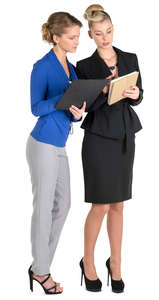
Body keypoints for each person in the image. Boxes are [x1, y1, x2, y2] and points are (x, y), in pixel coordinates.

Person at [74, 4, 143, 293]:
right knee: (100, 204)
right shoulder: (85, 67)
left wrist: (136, 94)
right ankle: (87, 262)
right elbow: (84, 105)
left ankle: (115, 264)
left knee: (118, 204)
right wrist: (103, 91)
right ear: (90, 35)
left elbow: (140, 96)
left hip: (125, 135)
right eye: (99, 34)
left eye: (109, 31)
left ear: (113, 29)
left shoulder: (130, 58)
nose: (106, 38)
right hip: (99, 137)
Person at [26, 12, 85, 295]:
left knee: (64, 206)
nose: (77, 41)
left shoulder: (70, 68)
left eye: (77, 36)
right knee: (44, 210)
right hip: (42, 145)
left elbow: (71, 108)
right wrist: (62, 101)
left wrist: (78, 112)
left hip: (59, 145)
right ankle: (41, 271)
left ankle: (40, 264)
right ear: (56, 37)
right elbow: (36, 107)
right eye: (72, 37)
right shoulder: (42, 67)